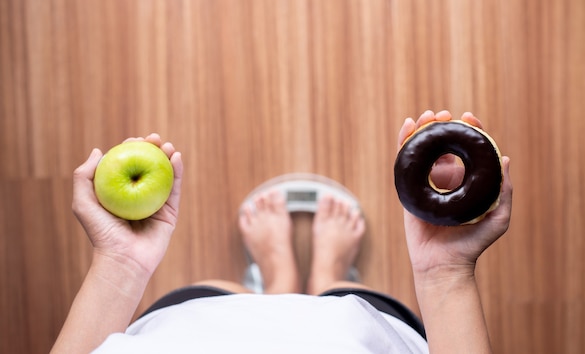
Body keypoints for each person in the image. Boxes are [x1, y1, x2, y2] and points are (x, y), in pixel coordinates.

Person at [51, 110, 513, 353]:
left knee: (223, 296)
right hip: (354, 334)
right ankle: (328, 273)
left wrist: (120, 263)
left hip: (195, 326)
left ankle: (276, 281)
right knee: (345, 295)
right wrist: (446, 274)